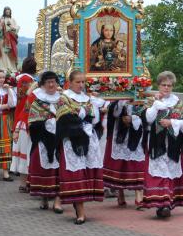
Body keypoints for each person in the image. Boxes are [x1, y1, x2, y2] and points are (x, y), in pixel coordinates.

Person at [55, 71, 105, 224]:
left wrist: (93, 109)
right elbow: (65, 119)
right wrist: (84, 113)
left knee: (86, 172)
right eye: (78, 82)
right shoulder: (63, 98)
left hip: (88, 138)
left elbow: (94, 119)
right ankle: (80, 210)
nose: (81, 85)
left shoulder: (88, 98)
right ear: (70, 82)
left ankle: (80, 207)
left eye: (83, 82)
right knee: (75, 174)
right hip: (72, 140)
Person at [140, 71, 183, 218]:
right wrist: (156, 106)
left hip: (172, 144)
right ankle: (162, 203)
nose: (166, 88)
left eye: (169, 85)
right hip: (157, 143)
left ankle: (167, 203)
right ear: (159, 85)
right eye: (164, 85)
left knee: (170, 172)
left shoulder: (177, 102)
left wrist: (172, 122)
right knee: (159, 173)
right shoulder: (151, 100)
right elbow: (147, 119)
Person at [27, 71, 62, 211]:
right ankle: (44, 197)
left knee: (60, 170)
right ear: (43, 84)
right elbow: (33, 122)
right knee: (43, 168)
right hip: (43, 140)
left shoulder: (62, 100)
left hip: (60, 139)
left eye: (53, 81)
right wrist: (47, 124)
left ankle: (58, 200)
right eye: (48, 82)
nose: (51, 85)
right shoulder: (38, 102)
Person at [103, 100, 146, 207]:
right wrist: (121, 102)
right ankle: (120, 193)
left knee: (137, 164)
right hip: (119, 133)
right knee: (119, 164)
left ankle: (139, 194)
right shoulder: (118, 98)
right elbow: (114, 113)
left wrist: (133, 118)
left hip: (136, 134)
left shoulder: (143, 96)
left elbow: (148, 116)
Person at [10, 57, 38, 183]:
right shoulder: (26, 79)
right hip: (24, 112)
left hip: (24, 110)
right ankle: (25, 178)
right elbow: (27, 96)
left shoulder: (23, 78)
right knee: (25, 146)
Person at [0, 6, 19, 72]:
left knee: (11, 53)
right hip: (4, 39)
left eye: (9, 11)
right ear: (4, 12)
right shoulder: (1, 19)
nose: (8, 12)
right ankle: (4, 67)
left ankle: (12, 68)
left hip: (11, 39)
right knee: (4, 54)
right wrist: (1, 24)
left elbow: (16, 28)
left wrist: (12, 28)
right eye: (6, 11)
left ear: (10, 12)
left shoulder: (13, 20)